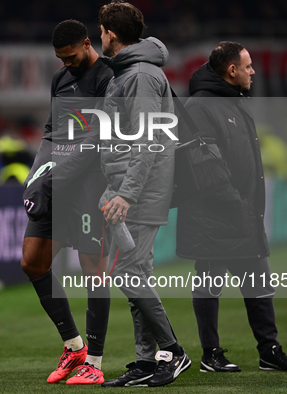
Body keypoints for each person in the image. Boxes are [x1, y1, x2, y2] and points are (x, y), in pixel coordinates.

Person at [176, 41, 287, 373]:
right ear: (231, 70)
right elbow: (206, 168)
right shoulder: (201, 106)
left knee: (259, 284)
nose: (253, 72)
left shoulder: (234, 101)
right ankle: (211, 354)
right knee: (209, 285)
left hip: (242, 213)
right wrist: (237, 204)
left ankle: (269, 350)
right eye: (247, 66)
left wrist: (247, 208)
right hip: (214, 217)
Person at [97, 1, 190, 387]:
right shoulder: (130, 73)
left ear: (112, 35)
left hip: (139, 193)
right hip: (125, 189)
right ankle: (147, 360)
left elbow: (149, 138)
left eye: (100, 30)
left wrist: (128, 194)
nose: (98, 36)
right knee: (137, 274)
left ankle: (174, 351)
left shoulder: (138, 75)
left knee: (127, 271)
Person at [20, 19, 113, 385]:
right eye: (61, 59)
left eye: (71, 57)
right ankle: (73, 346)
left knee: (93, 269)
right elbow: (51, 132)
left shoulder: (107, 78)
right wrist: (36, 176)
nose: (67, 64)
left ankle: (96, 360)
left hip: (90, 187)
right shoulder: (61, 79)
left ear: (87, 44)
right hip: (58, 183)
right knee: (32, 262)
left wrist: (53, 176)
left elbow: (98, 136)